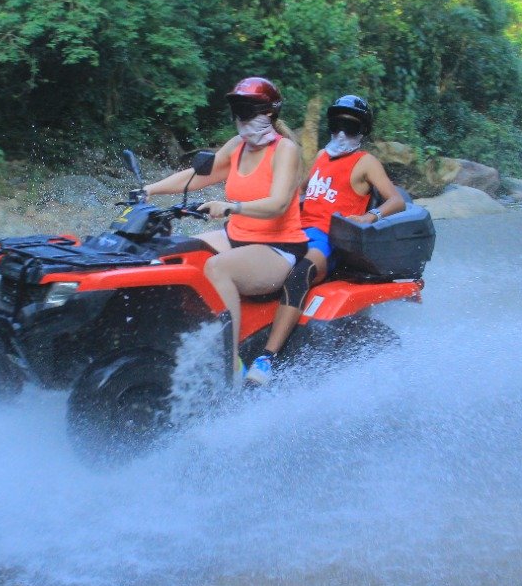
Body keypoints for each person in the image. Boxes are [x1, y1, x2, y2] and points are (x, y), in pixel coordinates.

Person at [142, 77, 307, 382]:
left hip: (279, 247)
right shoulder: (237, 146)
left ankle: (230, 367)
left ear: (268, 113)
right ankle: (168, 339)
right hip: (237, 237)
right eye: (238, 111)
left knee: (217, 268)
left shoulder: (285, 150)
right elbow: (196, 176)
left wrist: (234, 207)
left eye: (248, 111)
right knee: (175, 254)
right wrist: (148, 190)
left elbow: (279, 204)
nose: (241, 118)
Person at [245, 94, 406, 387]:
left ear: (362, 132)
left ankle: (266, 359)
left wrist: (371, 217)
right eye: (338, 126)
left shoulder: (365, 162)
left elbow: (396, 200)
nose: (342, 133)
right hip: (297, 230)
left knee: (298, 274)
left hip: (329, 240)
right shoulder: (321, 155)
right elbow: (303, 191)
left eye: (351, 127)